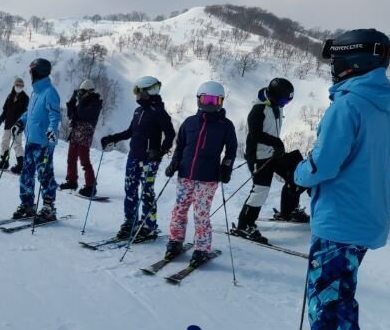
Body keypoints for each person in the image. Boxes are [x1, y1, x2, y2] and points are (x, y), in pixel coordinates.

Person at [271, 29, 390, 330]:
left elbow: (325, 163)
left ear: (353, 61)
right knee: (336, 300)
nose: (332, 68)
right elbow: (388, 164)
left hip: (339, 221)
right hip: (366, 220)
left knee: (331, 311)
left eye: (336, 61)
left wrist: (297, 172)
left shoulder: (347, 106)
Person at [164, 81, 236, 267]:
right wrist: (174, 163)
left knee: (201, 214)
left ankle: (201, 249)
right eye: (206, 99)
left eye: (214, 100)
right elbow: (180, 146)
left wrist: (226, 167)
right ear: (199, 99)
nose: (210, 104)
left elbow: (231, 149)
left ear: (221, 101)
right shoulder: (189, 122)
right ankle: (175, 241)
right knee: (179, 210)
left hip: (208, 178)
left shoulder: (225, 125)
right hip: (185, 174)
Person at [232, 77, 307, 243]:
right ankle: (244, 225)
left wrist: (276, 146)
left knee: (298, 174)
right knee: (260, 190)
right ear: (272, 95)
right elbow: (255, 134)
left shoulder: (275, 105)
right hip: (259, 156)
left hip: (273, 153)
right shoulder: (258, 110)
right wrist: (276, 143)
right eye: (282, 100)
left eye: (287, 101)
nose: (284, 104)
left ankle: (289, 211)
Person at [101, 76, 175, 240]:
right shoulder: (138, 111)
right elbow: (130, 132)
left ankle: (149, 226)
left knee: (147, 192)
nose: (137, 96)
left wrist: (160, 151)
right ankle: (130, 222)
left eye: (139, 92)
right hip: (133, 157)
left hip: (149, 159)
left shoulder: (159, 112)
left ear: (149, 92)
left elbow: (170, 134)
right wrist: (112, 138)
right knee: (130, 191)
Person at [11, 58, 61, 222]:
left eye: (32, 71)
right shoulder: (35, 92)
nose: (30, 74)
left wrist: (52, 131)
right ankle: (27, 205)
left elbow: (55, 116)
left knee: (45, 175)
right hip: (31, 141)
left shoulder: (50, 92)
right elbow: (30, 113)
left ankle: (48, 207)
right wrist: (20, 122)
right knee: (26, 174)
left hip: (44, 143)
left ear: (38, 72)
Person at [59, 79, 103, 195]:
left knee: (84, 161)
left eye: (83, 92)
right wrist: (72, 101)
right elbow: (70, 114)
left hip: (85, 135)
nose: (81, 94)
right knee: (71, 158)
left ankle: (91, 185)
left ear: (89, 91)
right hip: (75, 132)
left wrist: (80, 101)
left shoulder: (95, 102)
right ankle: (71, 180)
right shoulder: (82, 101)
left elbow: (84, 114)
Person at [0, 77, 29, 170]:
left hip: (18, 125)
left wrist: (21, 124)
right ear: (14, 85)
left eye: (21, 86)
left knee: (17, 144)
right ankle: (5, 161)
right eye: (17, 85)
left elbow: (26, 113)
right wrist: (0, 120)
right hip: (8, 123)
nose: (19, 87)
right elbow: (5, 110)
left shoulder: (25, 98)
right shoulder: (10, 96)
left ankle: (20, 165)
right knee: (4, 143)